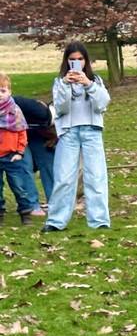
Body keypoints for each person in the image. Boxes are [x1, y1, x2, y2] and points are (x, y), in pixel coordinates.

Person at [43, 42, 111, 232]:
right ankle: (56, 221)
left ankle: (99, 220)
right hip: (69, 132)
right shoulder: (59, 82)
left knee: (96, 176)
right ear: (66, 61)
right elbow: (61, 108)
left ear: (86, 61)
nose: (76, 63)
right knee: (64, 177)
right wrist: (66, 84)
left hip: (92, 131)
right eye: (72, 59)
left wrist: (87, 84)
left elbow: (103, 104)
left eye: (80, 59)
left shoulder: (95, 80)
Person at [0, 73, 44, 225]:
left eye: (3, 90)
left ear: (9, 91)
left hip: (12, 155)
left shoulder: (15, 111)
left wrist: (19, 152)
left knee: (19, 186)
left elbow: (22, 132)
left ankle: (25, 213)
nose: (0, 95)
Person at [13, 93, 57, 203]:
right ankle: (32, 204)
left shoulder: (46, 118)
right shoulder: (37, 110)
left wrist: (55, 135)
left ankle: (55, 202)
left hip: (37, 134)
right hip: (17, 134)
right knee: (25, 164)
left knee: (48, 162)